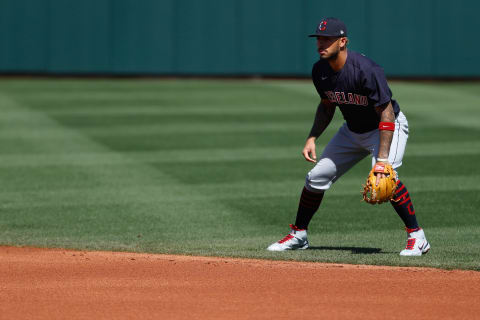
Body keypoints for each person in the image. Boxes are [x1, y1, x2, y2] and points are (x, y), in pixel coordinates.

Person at [267, 17, 430, 256]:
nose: (321, 43)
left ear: (343, 42)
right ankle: (299, 234)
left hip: (385, 127)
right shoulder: (320, 70)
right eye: (319, 39)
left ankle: (417, 237)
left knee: (386, 177)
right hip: (352, 130)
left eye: (328, 39)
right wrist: (312, 137)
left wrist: (383, 160)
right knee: (315, 178)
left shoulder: (366, 70)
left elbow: (385, 113)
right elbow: (326, 106)